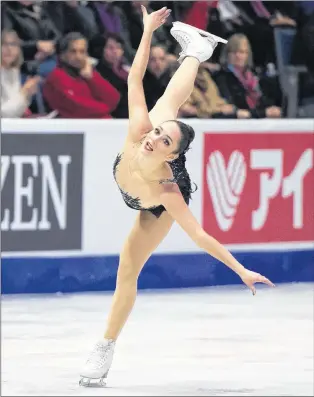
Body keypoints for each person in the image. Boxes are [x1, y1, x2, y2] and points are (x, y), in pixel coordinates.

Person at [79, 6, 275, 387]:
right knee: (164, 107)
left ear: (172, 156)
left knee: (127, 271)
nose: (153, 138)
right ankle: (196, 52)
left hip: (149, 207)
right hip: (148, 164)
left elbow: (200, 236)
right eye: (157, 135)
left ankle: (105, 346)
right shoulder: (143, 131)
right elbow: (135, 77)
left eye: (163, 141)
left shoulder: (167, 191)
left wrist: (241, 270)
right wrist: (149, 30)